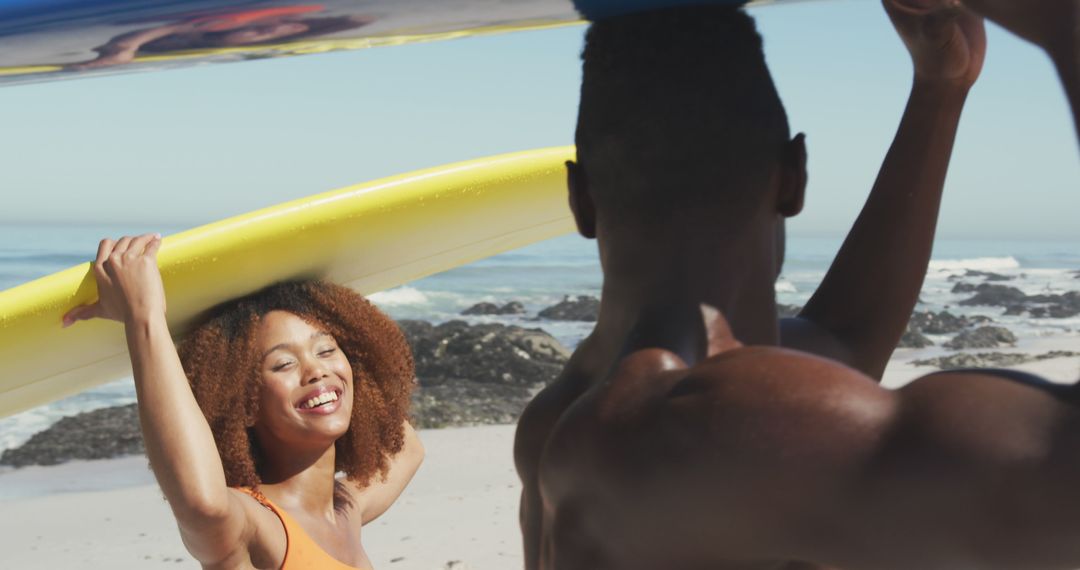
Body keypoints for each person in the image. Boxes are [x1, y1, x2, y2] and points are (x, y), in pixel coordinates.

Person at [512, 0, 1080, 567]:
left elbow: (846, 338)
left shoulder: (557, 423)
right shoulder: (741, 427)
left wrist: (941, 88)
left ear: (580, 202)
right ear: (795, 180)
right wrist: (1062, 25)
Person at [63, 234, 424, 569]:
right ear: (244, 403)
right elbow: (202, 503)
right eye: (284, 364)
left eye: (327, 350)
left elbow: (408, 447)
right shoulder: (254, 525)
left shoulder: (346, 510)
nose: (316, 371)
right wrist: (144, 318)